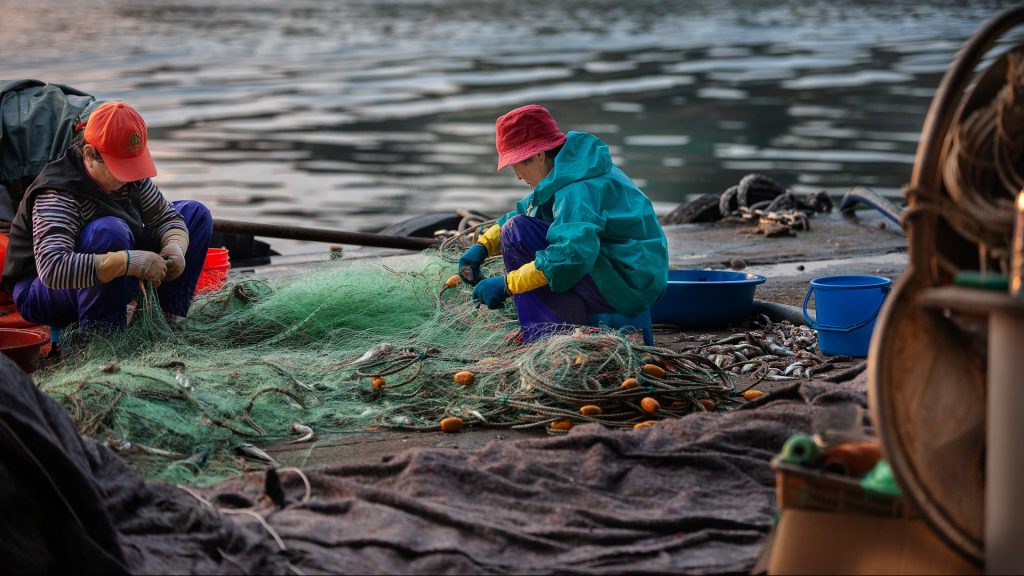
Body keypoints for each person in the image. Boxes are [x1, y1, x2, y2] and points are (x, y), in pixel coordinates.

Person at [458, 104, 668, 342]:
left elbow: (571, 256)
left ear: (538, 155)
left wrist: (507, 284)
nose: (516, 175)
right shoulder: (574, 167)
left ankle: (549, 337)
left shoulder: (578, 188)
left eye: (517, 165)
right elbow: (527, 210)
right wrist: (482, 247)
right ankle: (552, 325)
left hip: (627, 286)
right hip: (628, 272)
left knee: (517, 233)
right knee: (518, 226)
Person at [1, 101, 213, 333]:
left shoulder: (132, 177)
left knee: (196, 214)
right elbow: (53, 269)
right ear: (90, 154)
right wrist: (128, 262)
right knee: (109, 231)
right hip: (42, 289)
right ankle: (103, 336)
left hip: (110, 265)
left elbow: (165, 218)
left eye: (132, 165)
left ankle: (162, 318)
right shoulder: (58, 194)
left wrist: (175, 247)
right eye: (119, 169)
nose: (128, 178)